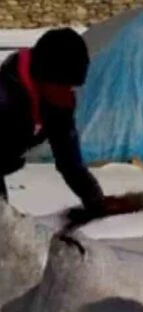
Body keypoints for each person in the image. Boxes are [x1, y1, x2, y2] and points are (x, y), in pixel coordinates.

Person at [0, 27, 103, 211]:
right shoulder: (5, 99)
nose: (69, 94)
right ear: (43, 76)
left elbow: (69, 162)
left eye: (72, 87)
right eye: (64, 86)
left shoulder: (56, 103)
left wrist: (95, 201)